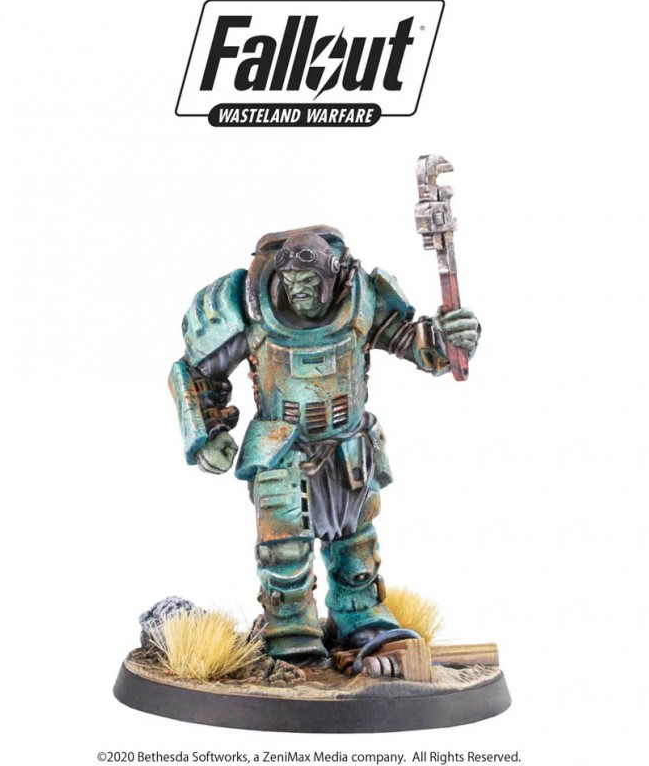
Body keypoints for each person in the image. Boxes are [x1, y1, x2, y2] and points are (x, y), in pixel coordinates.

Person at [169, 226, 480, 664]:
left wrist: (449, 338)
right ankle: (291, 633)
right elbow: (196, 369)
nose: (298, 292)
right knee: (284, 551)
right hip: (281, 448)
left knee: (355, 543)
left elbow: (414, 343)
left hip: (348, 446)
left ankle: (360, 616)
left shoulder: (363, 297)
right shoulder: (248, 304)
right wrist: (208, 431)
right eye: (291, 282)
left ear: (332, 277)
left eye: (309, 282)